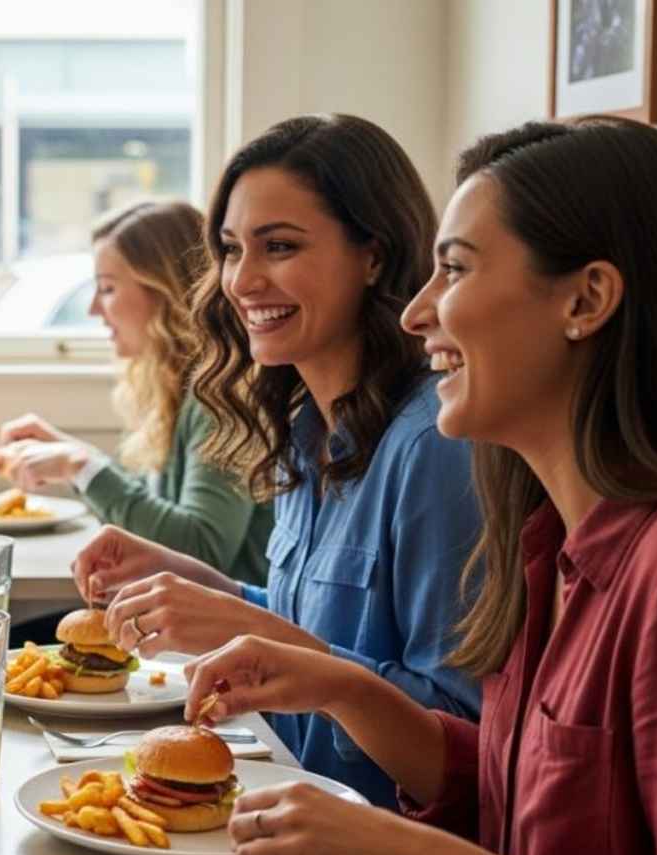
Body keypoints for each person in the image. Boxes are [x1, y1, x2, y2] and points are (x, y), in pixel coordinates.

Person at [187, 117, 657, 855]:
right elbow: (512, 794)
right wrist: (340, 686)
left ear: (587, 300)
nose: (419, 313)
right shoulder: (546, 541)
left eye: (456, 270)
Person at [71, 115, 481, 806]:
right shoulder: (303, 427)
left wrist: (248, 629)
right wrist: (203, 585)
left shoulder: (435, 448)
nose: (243, 280)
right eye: (231, 250)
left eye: (280, 247)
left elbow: (460, 746)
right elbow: (310, 627)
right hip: (276, 801)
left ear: (373, 257)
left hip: (369, 849)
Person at [0, 201, 273, 584]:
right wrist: (71, 455)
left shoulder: (222, 397)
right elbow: (155, 514)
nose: (93, 308)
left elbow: (202, 549)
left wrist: (80, 465)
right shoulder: (179, 384)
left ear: (165, 291)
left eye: (107, 288)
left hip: (227, 636)